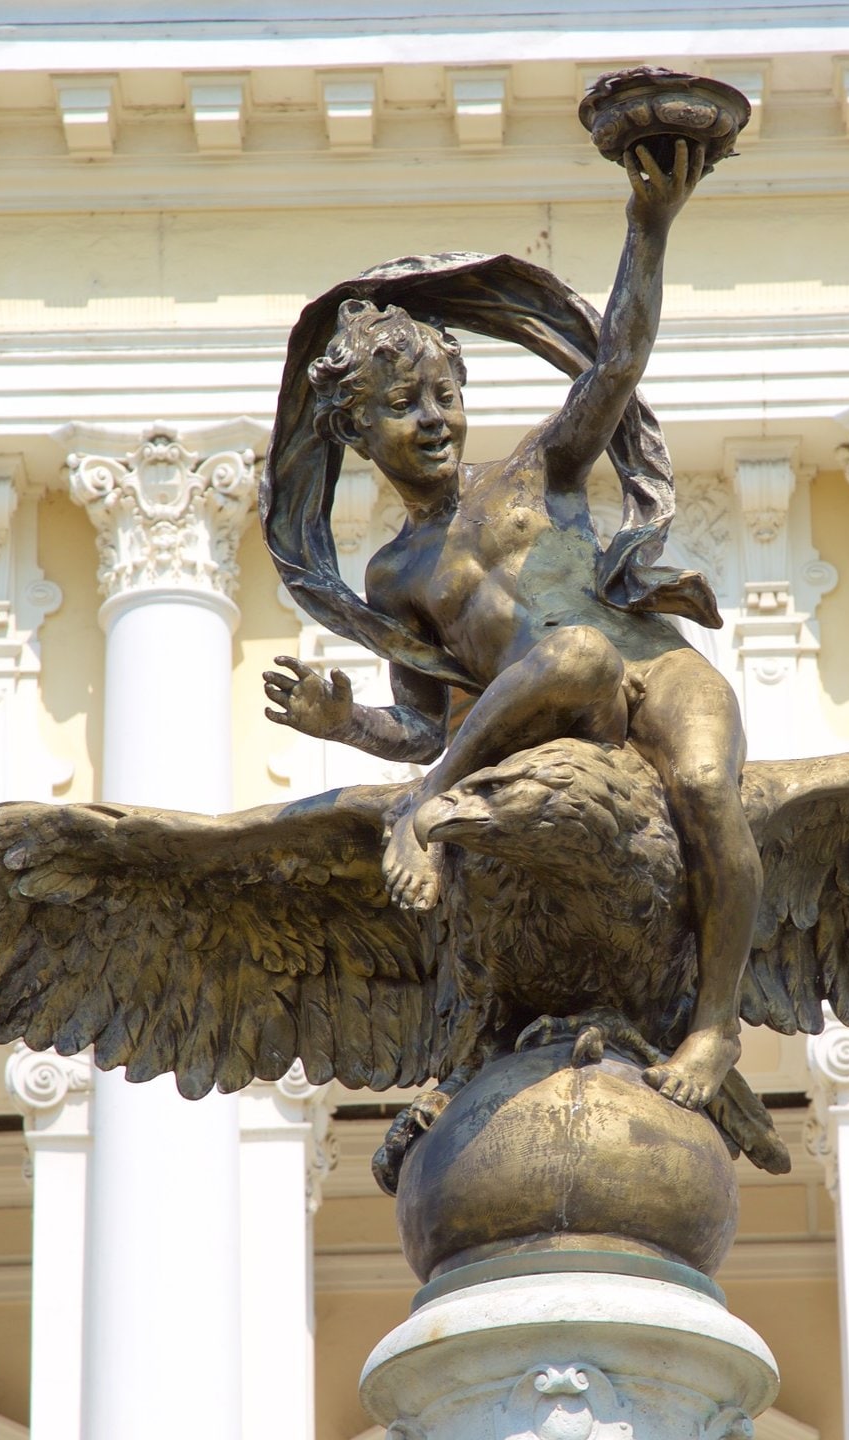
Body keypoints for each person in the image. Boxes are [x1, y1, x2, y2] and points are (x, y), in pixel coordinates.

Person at [261, 141, 756, 1109]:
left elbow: (617, 359)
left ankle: (717, 1024)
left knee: (699, 780)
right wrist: (345, 722)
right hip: (549, 715)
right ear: (356, 435)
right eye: (402, 407)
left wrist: (648, 226)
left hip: (650, 672)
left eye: (445, 396)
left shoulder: (537, 471)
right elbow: (427, 724)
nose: (434, 419)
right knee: (562, 661)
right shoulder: (394, 576)